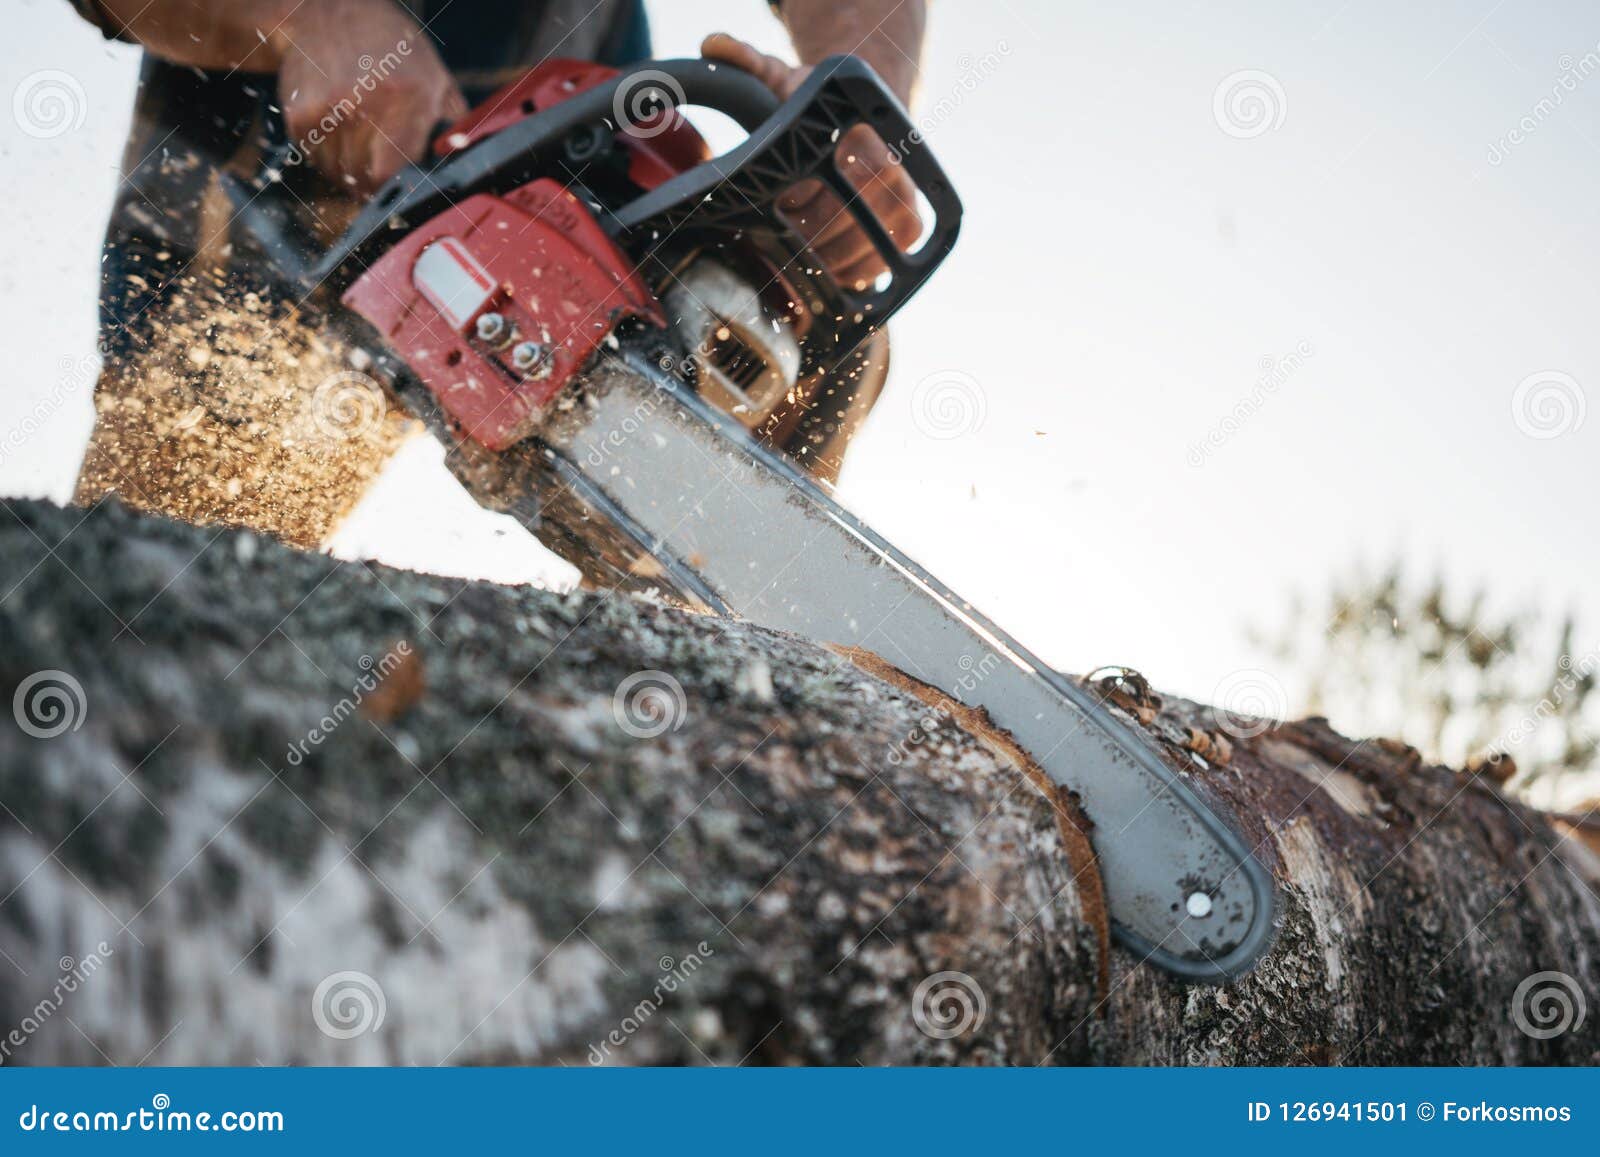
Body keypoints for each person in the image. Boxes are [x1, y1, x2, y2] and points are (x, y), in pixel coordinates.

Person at [65, 0, 927, 547]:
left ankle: (710, 667)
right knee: (167, 576)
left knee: (816, 309)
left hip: (562, 177)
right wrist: (307, 15)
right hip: (259, 204)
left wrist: (856, 111)